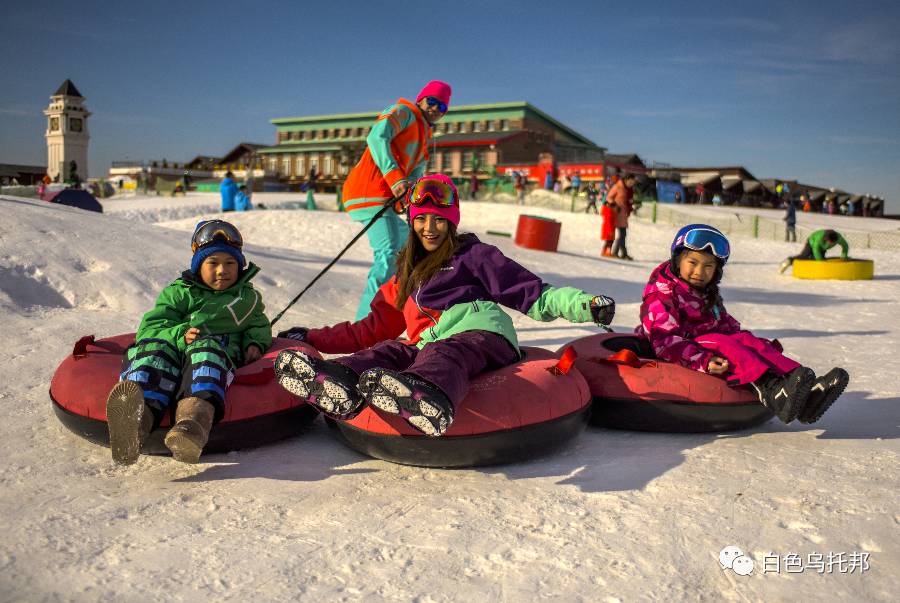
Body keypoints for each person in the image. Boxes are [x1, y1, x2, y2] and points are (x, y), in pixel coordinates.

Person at [274, 175, 616, 437]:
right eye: (421, 219)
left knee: (447, 351)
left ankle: (428, 398)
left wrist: (585, 306)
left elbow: (533, 293)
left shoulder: (472, 256)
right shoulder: (402, 276)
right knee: (391, 350)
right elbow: (368, 329)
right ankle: (336, 381)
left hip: (481, 335)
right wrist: (311, 337)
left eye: (439, 219)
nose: (429, 228)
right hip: (428, 344)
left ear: (451, 222)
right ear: (412, 221)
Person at [637, 224, 848, 424]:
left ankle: (802, 386)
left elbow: (723, 321)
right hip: (680, 349)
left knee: (747, 340)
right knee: (724, 342)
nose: (700, 272)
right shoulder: (662, 295)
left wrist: (751, 344)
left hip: (707, 341)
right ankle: (771, 390)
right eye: (692, 263)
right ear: (677, 261)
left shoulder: (706, 291)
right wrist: (702, 360)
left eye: (708, 266)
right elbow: (664, 339)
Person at [104, 220, 272, 465]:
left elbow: (259, 325)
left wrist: (254, 343)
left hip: (214, 350)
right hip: (174, 348)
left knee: (206, 354)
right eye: (212, 263)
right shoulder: (180, 292)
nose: (222, 270)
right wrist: (179, 334)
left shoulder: (247, 298)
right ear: (198, 265)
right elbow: (150, 327)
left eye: (230, 263)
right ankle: (136, 422)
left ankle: (191, 427)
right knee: (153, 353)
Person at [341, 80, 451, 321]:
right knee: (389, 251)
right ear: (420, 99)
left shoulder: (424, 140)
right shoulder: (403, 112)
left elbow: (413, 180)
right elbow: (377, 138)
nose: (435, 108)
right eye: (431, 101)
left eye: (442, 107)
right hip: (367, 192)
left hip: (385, 198)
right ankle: (364, 324)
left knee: (410, 250)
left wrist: (412, 204)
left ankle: (405, 315)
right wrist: (395, 179)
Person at [779, 229, 849, 274]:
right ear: (826, 239)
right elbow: (816, 250)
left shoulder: (839, 238)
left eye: (832, 243)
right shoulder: (819, 238)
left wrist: (843, 256)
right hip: (811, 242)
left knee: (818, 259)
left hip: (822, 247)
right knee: (804, 256)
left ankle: (810, 271)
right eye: (829, 242)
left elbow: (845, 246)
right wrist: (820, 262)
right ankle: (788, 261)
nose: (830, 244)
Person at [608, 173, 636, 260]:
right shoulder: (618, 186)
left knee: (623, 234)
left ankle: (620, 252)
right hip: (617, 213)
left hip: (624, 214)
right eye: (630, 182)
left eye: (633, 182)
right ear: (626, 180)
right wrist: (615, 206)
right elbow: (609, 197)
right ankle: (620, 252)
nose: (631, 184)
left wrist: (631, 208)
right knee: (622, 234)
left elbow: (629, 201)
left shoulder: (629, 189)